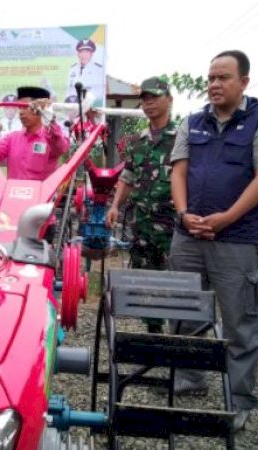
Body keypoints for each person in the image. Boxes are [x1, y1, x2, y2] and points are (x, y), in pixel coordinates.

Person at [169, 50, 258, 432]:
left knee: (240, 323)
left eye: (224, 77)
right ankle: (189, 379)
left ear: (244, 82)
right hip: (188, 237)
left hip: (235, 241)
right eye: (211, 77)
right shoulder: (193, 122)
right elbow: (179, 171)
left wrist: (227, 219)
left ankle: (239, 400)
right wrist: (184, 213)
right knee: (186, 314)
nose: (215, 84)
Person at [105, 76, 176, 332]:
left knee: (176, 282)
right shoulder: (138, 140)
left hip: (173, 225)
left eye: (155, 97)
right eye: (144, 99)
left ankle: (177, 336)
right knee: (145, 279)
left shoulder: (182, 138)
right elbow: (128, 177)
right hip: (142, 224)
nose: (149, 103)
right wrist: (115, 206)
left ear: (169, 99)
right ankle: (153, 334)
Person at [0, 86, 69, 181]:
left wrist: (49, 116)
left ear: (41, 108)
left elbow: (61, 147)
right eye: (19, 108)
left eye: (25, 107)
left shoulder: (51, 136)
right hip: (13, 194)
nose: (21, 112)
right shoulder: (12, 138)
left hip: (42, 195)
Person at [65, 39, 105, 106]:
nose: (84, 55)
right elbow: (69, 90)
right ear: (78, 54)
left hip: (90, 106)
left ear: (91, 54)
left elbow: (98, 92)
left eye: (87, 52)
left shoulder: (98, 69)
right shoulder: (73, 69)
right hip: (72, 106)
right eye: (82, 52)